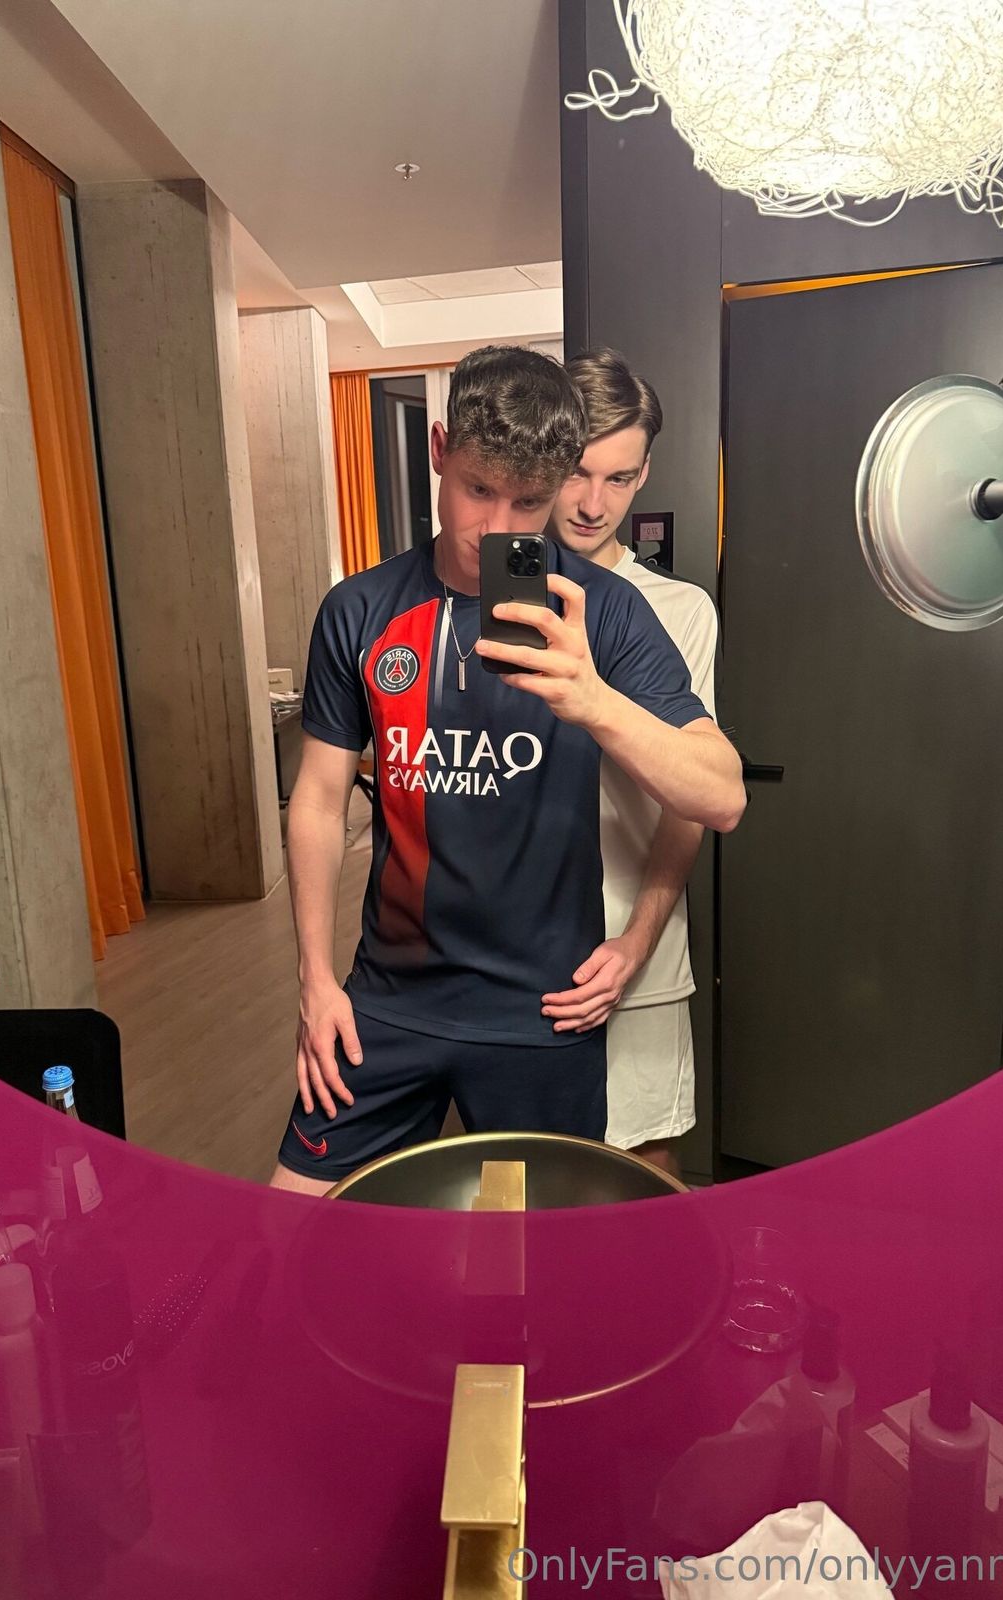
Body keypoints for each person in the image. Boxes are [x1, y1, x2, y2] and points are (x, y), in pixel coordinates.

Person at [271, 345, 744, 1194]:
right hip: (387, 999)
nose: (497, 527)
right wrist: (313, 978)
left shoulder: (603, 612)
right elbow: (317, 799)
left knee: (534, 1256)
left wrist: (594, 701)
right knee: (295, 1225)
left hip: (541, 1010)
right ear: (439, 450)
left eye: (527, 502)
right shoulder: (360, 609)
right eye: (478, 489)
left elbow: (722, 796)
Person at [548, 349, 718, 1174]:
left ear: (645, 472)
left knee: (645, 1172)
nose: (593, 504)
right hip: (509, 952)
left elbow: (694, 800)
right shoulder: (482, 597)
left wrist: (638, 941)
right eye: (576, 473)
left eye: (618, 478)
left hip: (634, 939)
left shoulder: (681, 612)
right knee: (522, 1180)